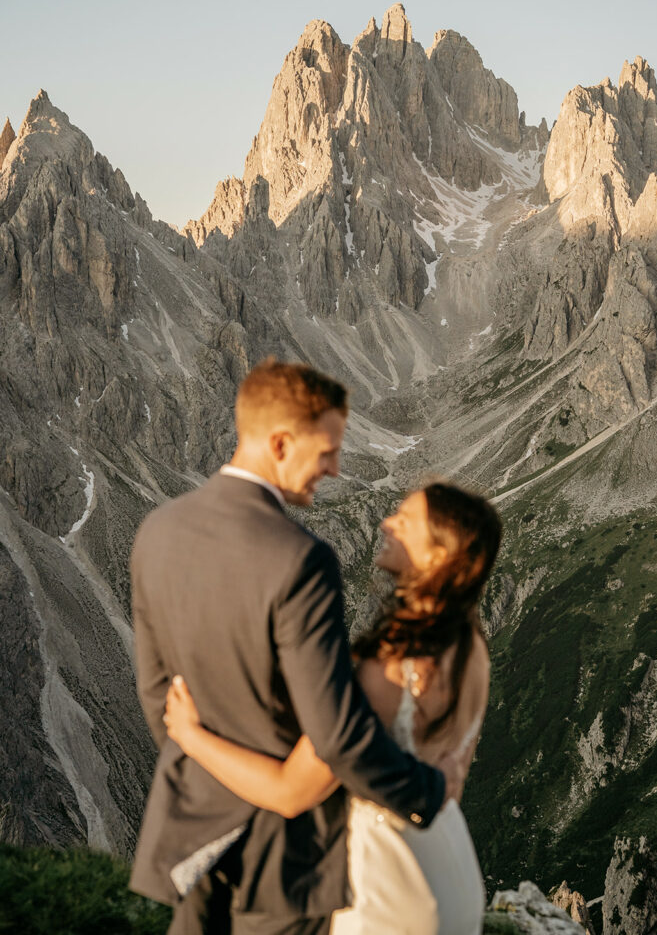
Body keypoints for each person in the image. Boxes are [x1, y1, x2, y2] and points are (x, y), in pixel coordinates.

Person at [129, 359, 460, 935]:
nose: (333, 468)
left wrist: (211, 760)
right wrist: (426, 792)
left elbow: (161, 703)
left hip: (196, 841)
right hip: (283, 864)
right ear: (280, 443)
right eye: (327, 449)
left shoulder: (156, 530)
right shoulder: (300, 559)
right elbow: (336, 736)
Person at [164, 481, 502, 935]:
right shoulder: (472, 649)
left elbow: (291, 792)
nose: (387, 522)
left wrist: (192, 736)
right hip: (453, 869)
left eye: (405, 519)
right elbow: (453, 779)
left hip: (390, 884)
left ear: (439, 555)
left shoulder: (386, 671)